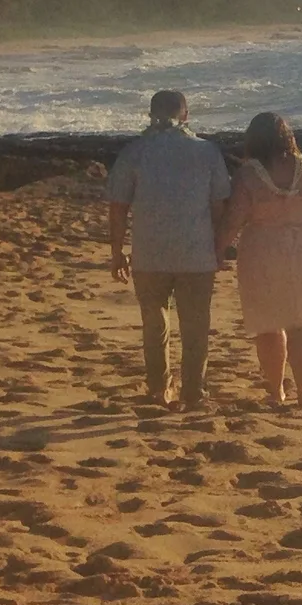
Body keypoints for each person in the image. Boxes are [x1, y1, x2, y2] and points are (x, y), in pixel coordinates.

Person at [106, 89, 232, 411]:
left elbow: (118, 207)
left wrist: (116, 251)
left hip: (150, 251)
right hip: (196, 250)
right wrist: (220, 247)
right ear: (186, 115)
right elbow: (219, 205)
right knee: (195, 324)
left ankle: (158, 388)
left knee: (153, 321)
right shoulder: (206, 151)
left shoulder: (135, 152)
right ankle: (193, 392)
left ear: (151, 115)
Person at [221, 111, 302, 408]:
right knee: (301, 324)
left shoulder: (248, 175)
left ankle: (276, 390)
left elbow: (233, 220)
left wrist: (217, 249)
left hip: (262, 247)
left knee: (267, 324)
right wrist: (300, 221)